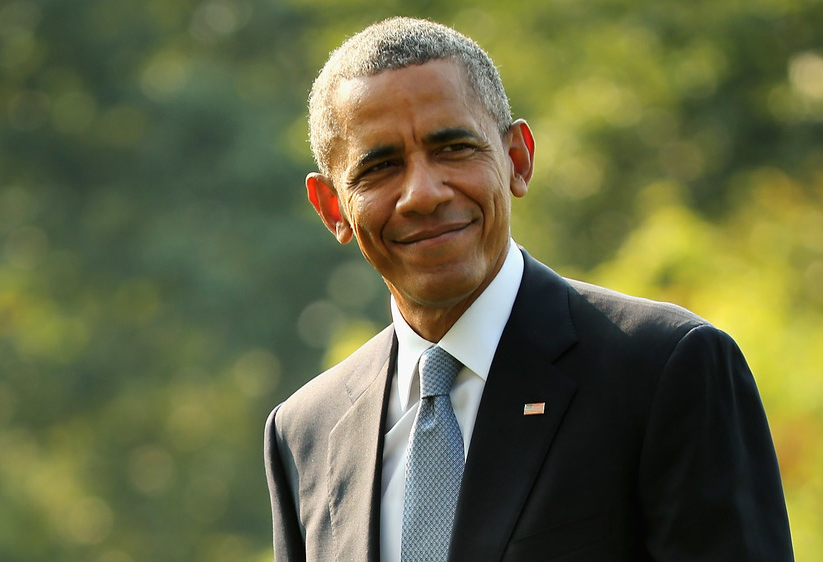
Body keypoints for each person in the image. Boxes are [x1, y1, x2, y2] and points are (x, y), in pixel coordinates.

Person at [265, 16, 793, 562]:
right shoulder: (307, 431)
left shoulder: (664, 369)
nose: (422, 193)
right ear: (333, 209)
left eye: (453, 148)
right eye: (380, 167)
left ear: (517, 159)